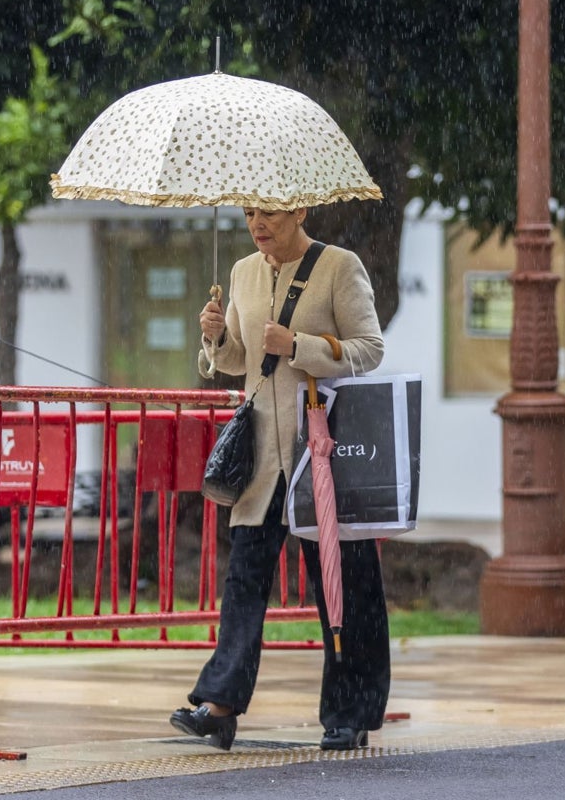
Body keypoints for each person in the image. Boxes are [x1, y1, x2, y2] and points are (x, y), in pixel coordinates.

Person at [169, 206, 389, 752]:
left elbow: (369, 349)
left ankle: (349, 712)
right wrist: (216, 338)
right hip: (260, 460)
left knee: (342, 587)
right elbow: (239, 360)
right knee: (243, 581)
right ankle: (219, 706)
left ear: (299, 210)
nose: (256, 223)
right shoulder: (243, 272)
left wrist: (298, 346)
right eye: (248, 212)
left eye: (268, 212)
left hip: (324, 453)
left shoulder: (338, 266)